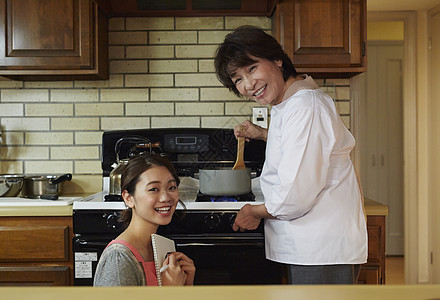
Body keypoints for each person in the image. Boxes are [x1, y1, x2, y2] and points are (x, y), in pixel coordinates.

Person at [214, 25, 367, 284]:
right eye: (238, 79)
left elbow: (295, 195)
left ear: (277, 59)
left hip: (320, 247)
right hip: (312, 245)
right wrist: (263, 133)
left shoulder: (306, 107)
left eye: (252, 69)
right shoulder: (291, 102)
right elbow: (301, 146)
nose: (249, 85)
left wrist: (255, 212)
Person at [94, 153, 195, 286]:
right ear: (128, 198)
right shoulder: (119, 258)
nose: (166, 198)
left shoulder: (160, 249)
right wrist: (169, 292)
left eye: (172, 187)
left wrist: (188, 285)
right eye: (153, 189)